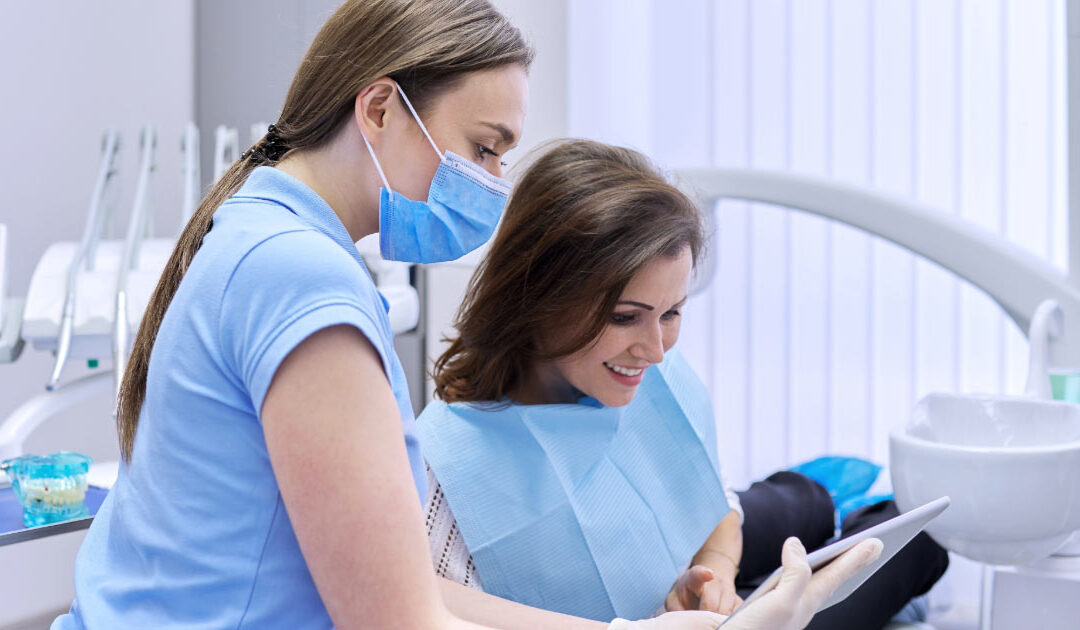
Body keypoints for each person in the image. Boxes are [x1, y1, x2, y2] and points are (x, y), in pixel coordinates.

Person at [419, 139, 947, 629]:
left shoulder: (645, 375)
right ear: (540, 297)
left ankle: (815, 500)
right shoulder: (444, 475)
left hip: (684, 557)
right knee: (916, 546)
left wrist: (716, 572)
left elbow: (714, 507)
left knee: (813, 503)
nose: (655, 350)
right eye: (626, 317)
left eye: (671, 313)